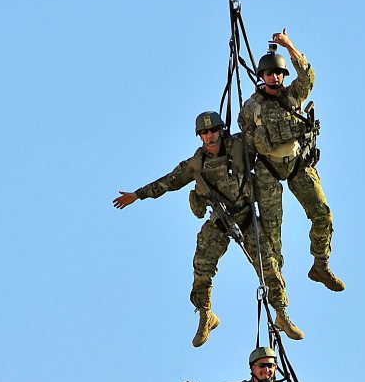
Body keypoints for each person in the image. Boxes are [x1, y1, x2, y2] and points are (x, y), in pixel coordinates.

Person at [113, 110, 303, 347]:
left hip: (246, 216)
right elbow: (168, 182)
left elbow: (266, 142)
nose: (210, 136)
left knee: (269, 266)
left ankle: (281, 314)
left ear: (221, 130)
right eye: (204, 133)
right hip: (220, 220)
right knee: (202, 266)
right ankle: (206, 315)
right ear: (199, 137)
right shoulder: (196, 164)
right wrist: (138, 195)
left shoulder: (240, 146)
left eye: (213, 130)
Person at [239, 30, 344, 293]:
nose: (274, 78)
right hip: (269, 170)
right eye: (269, 74)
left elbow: (308, 75)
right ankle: (277, 288)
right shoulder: (252, 107)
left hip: (297, 163)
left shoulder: (293, 95)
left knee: (323, 214)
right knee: (272, 234)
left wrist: (289, 45)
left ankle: (320, 264)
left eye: (278, 73)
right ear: (261, 77)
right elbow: (248, 140)